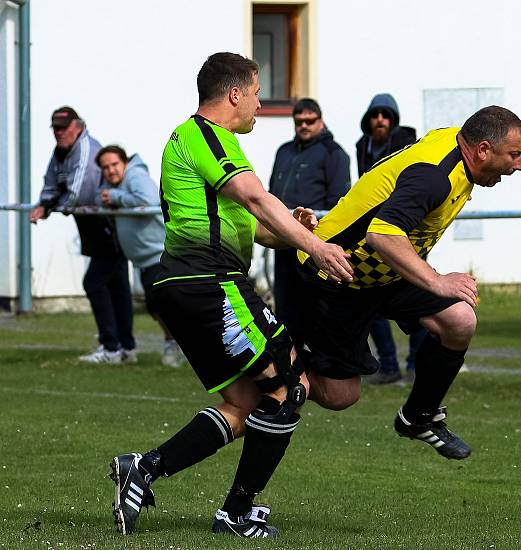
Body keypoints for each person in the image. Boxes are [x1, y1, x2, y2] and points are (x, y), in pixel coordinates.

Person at [109, 52, 352, 538]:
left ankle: (144, 468)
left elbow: (254, 226)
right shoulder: (204, 135)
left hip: (188, 285)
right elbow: (258, 199)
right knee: (290, 387)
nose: (261, 104)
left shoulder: (198, 143)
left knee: (245, 402)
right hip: (209, 281)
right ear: (234, 94)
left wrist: (292, 231)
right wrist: (318, 248)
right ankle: (236, 513)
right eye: (258, 93)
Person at [297, 105, 521, 460]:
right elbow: (383, 234)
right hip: (338, 273)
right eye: (514, 155)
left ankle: (418, 416)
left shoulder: (459, 146)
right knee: (341, 396)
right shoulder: (435, 176)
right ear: (482, 150)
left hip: (386, 273)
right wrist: (436, 281)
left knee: (459, 320)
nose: (519, 165)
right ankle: (274, 370)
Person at [30, 106, 135, 364]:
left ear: (77, 127)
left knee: (95, 282)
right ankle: (125, 348)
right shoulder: (60, 153)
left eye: (63, 128)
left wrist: (51, 206)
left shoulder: (87, 149)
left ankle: (111, 348)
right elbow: (51, 182)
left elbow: (79, 193)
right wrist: (45, 203)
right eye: (55, 128)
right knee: (117, 285)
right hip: (90, 224)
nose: (59, 133)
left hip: (106, 225)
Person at [355, 93, 426, 385]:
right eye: (375, 114)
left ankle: (415, 366)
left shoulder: (408, 145)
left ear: (394, 119)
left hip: (405, 234)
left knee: (420, 301)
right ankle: (387, 365)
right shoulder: (363, 146)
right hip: (374, 237)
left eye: (385, 114)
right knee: (370, 303)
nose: (380, 119)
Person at [268, 98, 350, 350]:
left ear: (320, 120)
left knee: (315, 306)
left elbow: (338, 202)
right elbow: (272, 193)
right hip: (283, 240)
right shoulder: (284, 151)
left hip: (314, 243)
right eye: (298, 121)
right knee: (285, 305)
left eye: (309, 121)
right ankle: (290, 361)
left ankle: (319, 361)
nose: (303, 126)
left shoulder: (334, 153)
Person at [95, 145, 185, 367]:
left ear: (125, 163)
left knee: (164, 307)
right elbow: (103, 199)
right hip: (144, 259)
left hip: (161, 254)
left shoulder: (136, 176)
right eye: (105, 167)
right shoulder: (113, 184)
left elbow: (150, 199)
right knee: (156, 308)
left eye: (114, 165)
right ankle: (176, 345)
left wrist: (116, 196)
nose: (111, 171)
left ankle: (176, 347)